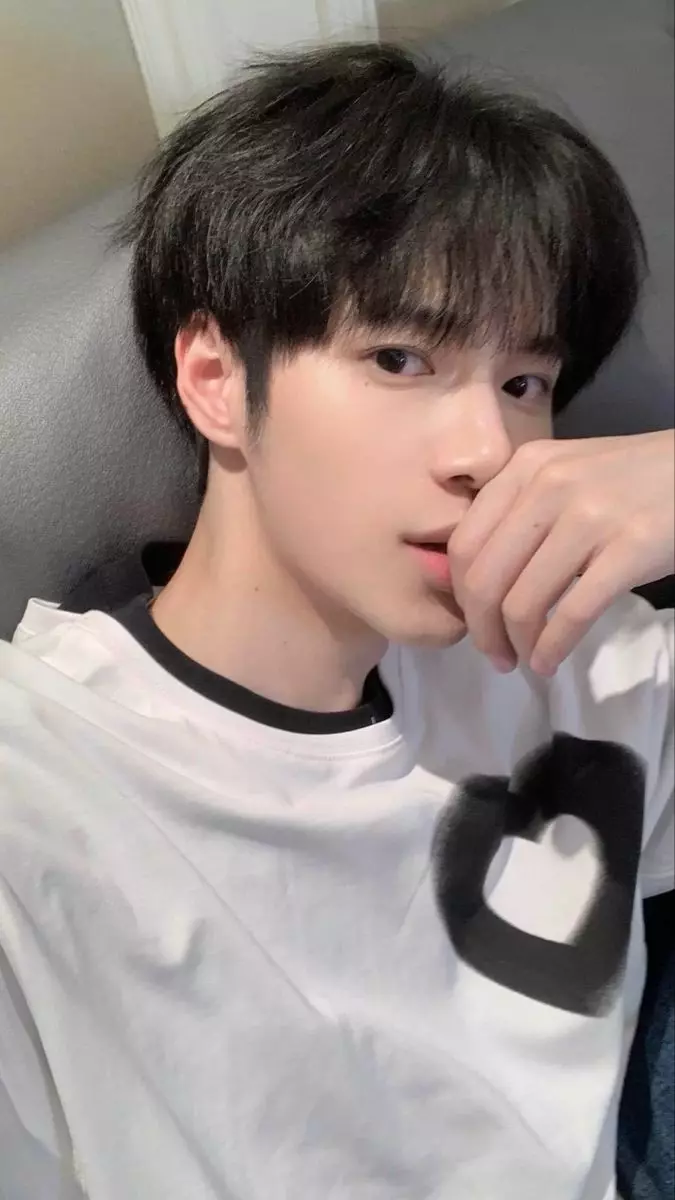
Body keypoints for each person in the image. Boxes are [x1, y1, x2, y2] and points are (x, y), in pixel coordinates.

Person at [0, 41, 673, 1200]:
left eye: (524, 383)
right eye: (401, 357)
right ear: (216, 380)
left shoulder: (566, 651)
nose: (489, 451)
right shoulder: (45, 784)